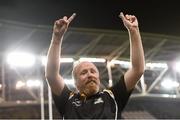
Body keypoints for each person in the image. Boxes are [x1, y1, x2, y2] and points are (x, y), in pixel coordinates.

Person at [45, 12, 145, 119]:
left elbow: (138, 69)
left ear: (98, 77)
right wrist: (56, 39)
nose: (90, 75)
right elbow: (51, 75)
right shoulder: (68, 100)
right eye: (83, 72)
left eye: (93, 71)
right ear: (75, 82)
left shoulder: (112, 96)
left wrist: (134, 31)